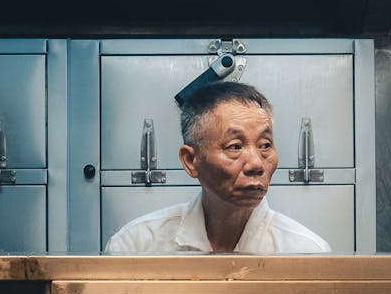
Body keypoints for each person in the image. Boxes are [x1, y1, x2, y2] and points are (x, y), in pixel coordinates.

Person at [105, 82, 331, 254]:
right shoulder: (136, 246)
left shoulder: (306, 251)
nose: (256, 164)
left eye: (265, 145)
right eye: (235, 147)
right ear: (190, 160)